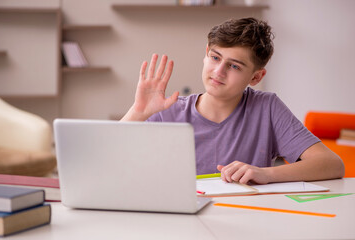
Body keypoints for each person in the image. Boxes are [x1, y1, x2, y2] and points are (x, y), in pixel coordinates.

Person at [121, 17, 344, 184]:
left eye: (234, 65)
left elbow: (332, 165)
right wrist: (138, 112)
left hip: (247, 220)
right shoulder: (167, 110)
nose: (219, 71)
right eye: (215, 57)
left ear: (256, 77)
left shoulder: (267, 108)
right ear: (206, 53)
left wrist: (265, 173)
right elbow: (99, 164)